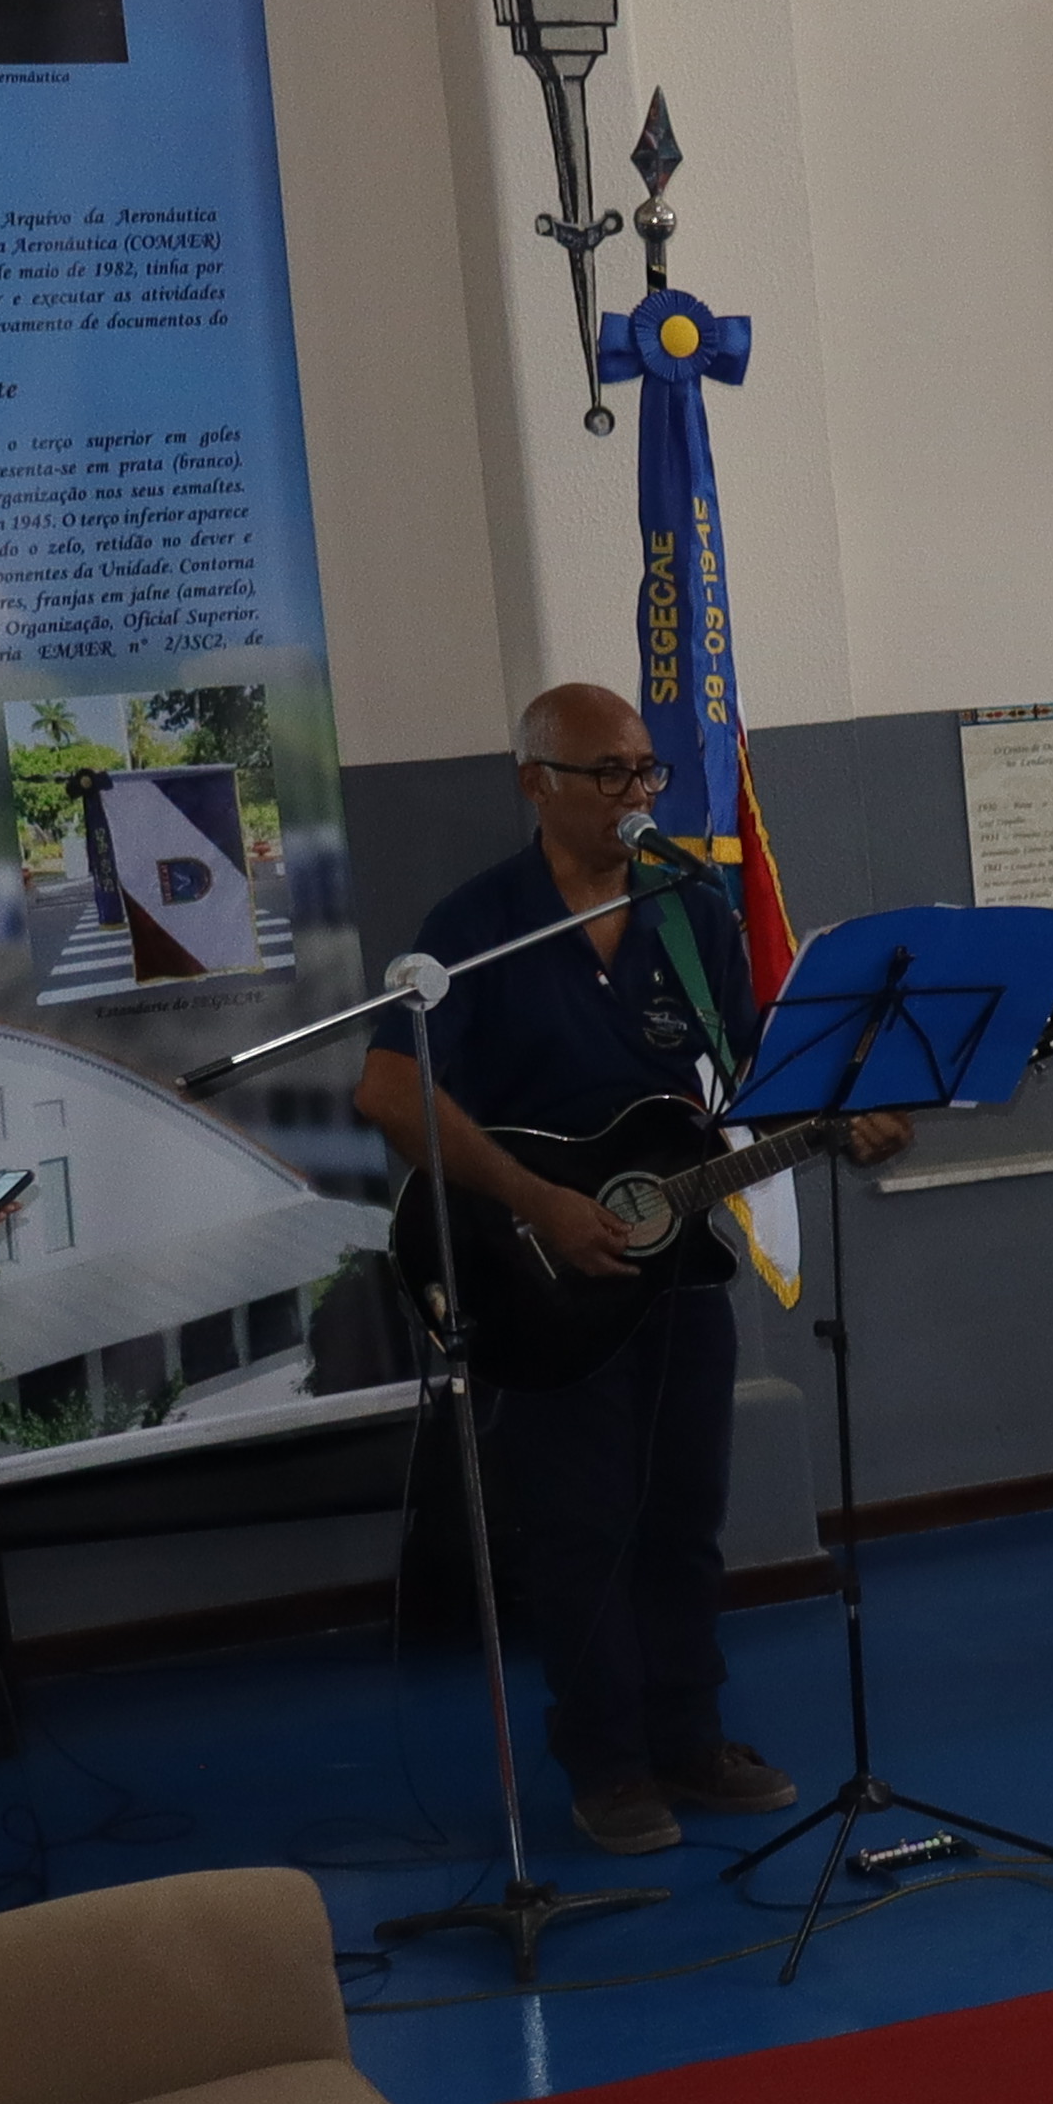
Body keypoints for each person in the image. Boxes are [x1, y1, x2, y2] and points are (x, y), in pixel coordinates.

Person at [360, 685, 908, 1860]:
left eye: (645, 770)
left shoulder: (689, 910)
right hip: (535, 1276)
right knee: (581, 1525)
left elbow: (756, 1075)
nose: (634, 793)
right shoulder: (477, 925)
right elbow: (391, 1092)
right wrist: (539, 1202)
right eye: (607, 771)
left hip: (677, 1267)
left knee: (682, 1515)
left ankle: (689, 1737)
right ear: (536, 783)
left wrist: (842, 1118)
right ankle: (606, 1763)